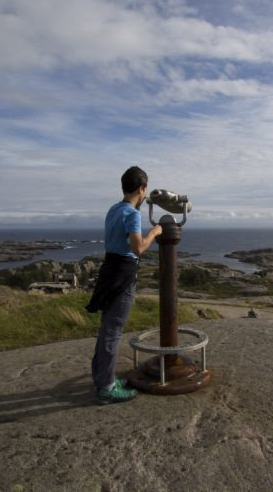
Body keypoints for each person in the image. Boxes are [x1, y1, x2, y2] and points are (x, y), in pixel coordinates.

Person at [86, 166, 162, 404]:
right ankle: (107, 387)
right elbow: (138, 248)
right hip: (123, 274)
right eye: (145, 189)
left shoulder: (113, 209)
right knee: (113, 332)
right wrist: (155, 233)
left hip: (109, 271)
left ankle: (103, 379)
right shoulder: (132, 213)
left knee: (106, 328)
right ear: (142, 188)